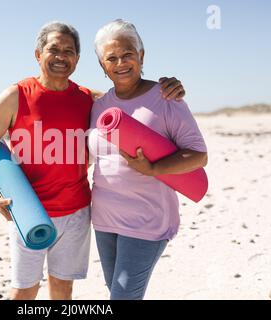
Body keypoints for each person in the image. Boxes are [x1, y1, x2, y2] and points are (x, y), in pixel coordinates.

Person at [0, 21, 186, 300]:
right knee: (23, 291)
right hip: (30, 211)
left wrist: (166, 88)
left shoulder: (90, 100)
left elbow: (130, 96)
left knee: (63, 290)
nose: (61, 56)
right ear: (38, 54)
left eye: (69, 51)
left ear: (78, 59)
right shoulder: (16, 96)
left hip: (77, 213)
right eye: (54, 49)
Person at [89, 19, 208, 300]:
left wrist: (154, 168)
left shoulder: (167, 98)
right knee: (117, 293)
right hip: (104, 219)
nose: (121, 62)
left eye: (128, 54)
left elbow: (198, 155)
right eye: (111, 58)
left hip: (147, 221)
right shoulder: (98, 105)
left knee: (123, 297)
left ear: (141, 55)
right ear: (102, 67)